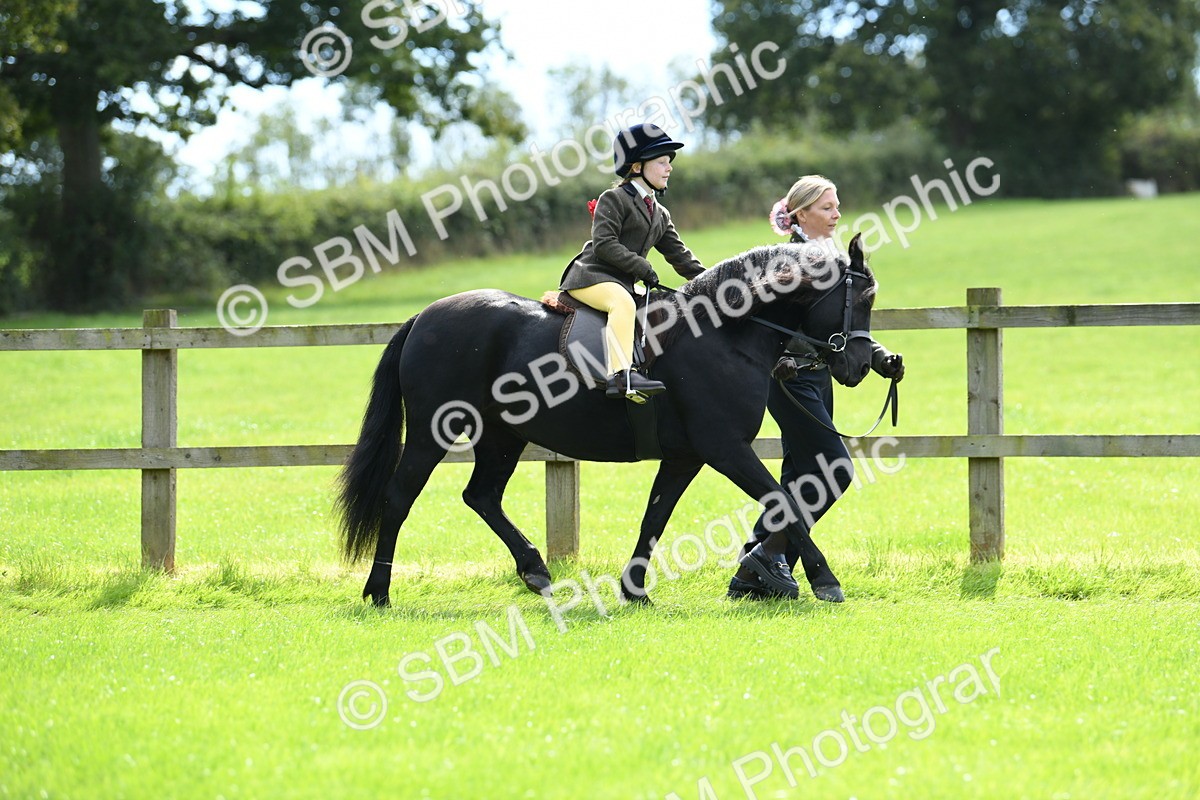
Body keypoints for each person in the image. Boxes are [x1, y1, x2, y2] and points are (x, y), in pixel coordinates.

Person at [729, 174, 906, 601]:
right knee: (836, 469)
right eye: (827, 207)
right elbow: (763, 324)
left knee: (798, 476)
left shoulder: (831, 257)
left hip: (817, 377)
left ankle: (754, 577)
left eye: (837, 205)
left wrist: (880, 357)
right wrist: (782, 357)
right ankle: (767, 554)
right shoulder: (786, 260)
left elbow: (843, 324)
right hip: (787, 379)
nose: (837, 214)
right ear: (802, 213)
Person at [560, 123, 706, 402]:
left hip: (621, 282)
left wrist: (716, 280)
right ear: (637, 167)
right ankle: (622, 376)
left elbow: (681, 258)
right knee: (623, 304)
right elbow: (604, 244)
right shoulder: (614, 198)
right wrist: (642, 268)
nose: (669, 167)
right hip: (591, 277)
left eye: (669, 162)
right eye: (662, 161)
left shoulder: (660, 213)